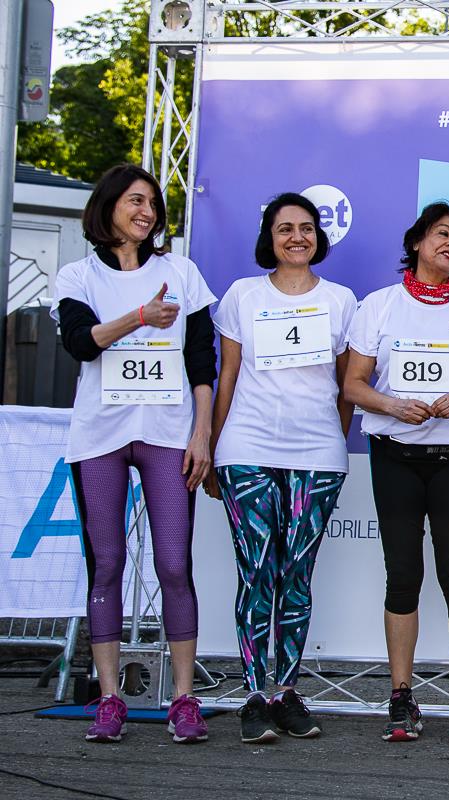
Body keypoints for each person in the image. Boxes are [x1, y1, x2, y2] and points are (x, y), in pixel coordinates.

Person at [51, 163, 217, 744]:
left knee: (173, 564)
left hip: (168, 435)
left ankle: (184, 699)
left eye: (152, 202)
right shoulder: (77, 275)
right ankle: (110, 698)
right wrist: (140, 317)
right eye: (134, 201)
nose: (146, 212)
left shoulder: (180, 271)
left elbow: (202, 360)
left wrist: (202, 434)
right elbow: (80, 342)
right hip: (100, 436)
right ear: (108, 207)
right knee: (108, 565)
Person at [343, 202, 449, 745]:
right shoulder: (378, 305)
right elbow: (353, 385)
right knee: (402, 574)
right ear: (416, 241)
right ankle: (401, 696)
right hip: (394, 453)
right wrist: (392, 406)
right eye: (442, 234)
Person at [205, 192, 357, 743]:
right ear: (269, 238)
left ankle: (286, 693)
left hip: (316, 455)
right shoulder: (242, 295)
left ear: (319, 237)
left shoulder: (341, 300)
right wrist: (212, 448)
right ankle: (252, 694)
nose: (297, 237)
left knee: (296, 575)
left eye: (307, 228)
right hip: (246, 448)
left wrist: (332, 438)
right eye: (285, 228)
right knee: (256, 571)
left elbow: (346, 384)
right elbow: (227, 376)